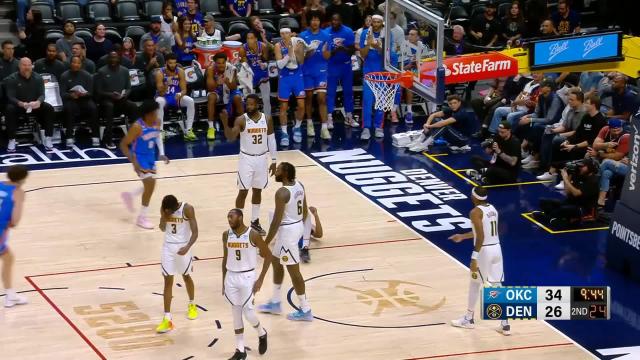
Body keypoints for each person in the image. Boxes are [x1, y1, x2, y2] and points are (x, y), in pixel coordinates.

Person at [448, 187, 510, 336]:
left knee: (475, 283)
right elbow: (485, 233)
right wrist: (462, 236)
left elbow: (481, 237)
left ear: (474, 197)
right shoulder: (493, 209)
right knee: (497, 285)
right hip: (497, 249)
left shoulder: (475, 212)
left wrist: (474, 258)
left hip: (484, 251)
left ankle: (468, 319)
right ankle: (505, 323)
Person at [257, 162, 312, 321]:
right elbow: (305, 210)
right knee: (276, 261)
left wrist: (264, 243)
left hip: (288, 232)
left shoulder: (282, 193)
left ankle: (305, 309)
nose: (276, 172)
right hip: (295, 227)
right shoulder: (299, 185)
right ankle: (275, 302)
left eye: (279, 170)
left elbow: (275, 222)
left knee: (294, 272)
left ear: (286, 173)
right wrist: (298, 226)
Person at [222, 94, 277, 235]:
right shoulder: (241, 120)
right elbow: (231, 137)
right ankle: (237, 223)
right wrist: (224, 124)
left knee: (258, 190)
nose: (249, 107)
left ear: (258, 104)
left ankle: (255, 221)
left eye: (252, 104)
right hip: (246, 159)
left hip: (262, 159)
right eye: (247, 104)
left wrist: (274, 160)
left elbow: (271, 140)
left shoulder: (267, 119)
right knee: (243, 191)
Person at [222, 208, 271, 360]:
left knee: (248, 312)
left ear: (241, 217)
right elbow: (225, 258)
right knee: (235, 312)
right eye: (228, 217)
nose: (229, 219)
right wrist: (223, 281)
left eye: (232, 216)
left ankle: (262, 333)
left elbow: (268, 256)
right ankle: (240, 350)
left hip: (247, 277)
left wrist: (261, 279)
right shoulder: (226, 235)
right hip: (231, 276)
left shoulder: (253, 234)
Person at [120, 100, 169, 229]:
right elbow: (124, 145)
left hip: (150, 157)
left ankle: (130, 195)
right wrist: (133, 161)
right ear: (147, 114)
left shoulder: (157, 122)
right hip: (139, 157)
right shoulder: (137, 127)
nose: (156, 115)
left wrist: (162, 153)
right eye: (154, 113)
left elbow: (157, 137)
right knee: (151, 183)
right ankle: (142, 218)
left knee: (149, 185)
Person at [537, 94, 606, 185]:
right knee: (560, 143)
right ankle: (552, 172)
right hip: (579, 141)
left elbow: (592, 140)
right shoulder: (586, 117)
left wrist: (574, 146)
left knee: (574, 150)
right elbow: (577, 133)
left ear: (593, 105)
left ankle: (568, 179)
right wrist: (568, 141)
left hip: (589, 146)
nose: (585, 105)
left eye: (587, 103)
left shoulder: (600, 120)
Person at [155, 194, 199, 333]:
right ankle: (167, 318)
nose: (168, 212)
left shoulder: (187, 209)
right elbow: (162, 228)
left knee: (186, 277)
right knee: (168, 281)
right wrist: (163, 216)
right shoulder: (165, 209)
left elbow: (195, 232)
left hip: (183, 246)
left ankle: (192, 304)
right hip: (168, 247)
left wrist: (187, 247)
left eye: (170, 211)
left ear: (175, 207)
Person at [4, 58, 55, 152]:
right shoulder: (12, 78)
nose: (27, 67)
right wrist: (21, 103)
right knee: (9, 109)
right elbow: (10, 96)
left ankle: (48, 138)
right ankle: (11, 139)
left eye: (29, 65)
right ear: (19, 66)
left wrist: (38, 102)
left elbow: (42, 94)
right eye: (24, 65)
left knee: (49, 108)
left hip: (34, 105)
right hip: (19, 105)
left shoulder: (38, 78)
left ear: (32, 66)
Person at [539, 157, 600, 227]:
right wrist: (568, 177)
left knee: (562, 210)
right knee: (545, 202)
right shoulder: (579, 175)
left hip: (585, 210)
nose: (580, 167)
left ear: (591, 168)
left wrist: (566, 179)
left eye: (583, 166)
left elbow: (576, 193)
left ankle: (549, 218)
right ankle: (553, 218)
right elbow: (567, 192)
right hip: (573, 203)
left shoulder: (593, 181)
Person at [537, 88, 586, 174]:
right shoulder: (571, 110)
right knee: (547, 133)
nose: (569, 101)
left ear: (580, 101)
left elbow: (577, 132)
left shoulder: (584, 114)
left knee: (557, 139)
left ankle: (553, 167)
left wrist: (560, 135)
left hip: (577, 137)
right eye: (569, 99)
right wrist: (553, 130)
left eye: (572, 100)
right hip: (569, 133)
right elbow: (564, 126)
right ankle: (545, 164)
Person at [518, 79, 564, 170]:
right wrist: (527, 117)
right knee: (522, 121)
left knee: (537, 127)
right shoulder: (541, 97)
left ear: (549, 88)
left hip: (555, 124)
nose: (540, 88)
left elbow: (549, 119)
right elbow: (537, 113)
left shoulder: (555, 99)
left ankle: (534, 157)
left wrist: (530, 119)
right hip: (543, 121)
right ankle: (527, 152)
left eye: (542, 86)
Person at [96, 51, 139, 149]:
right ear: (108, 59)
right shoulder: (101, 71)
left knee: (133, 106)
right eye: (111, 58)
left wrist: (124, 95)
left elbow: (128, 88)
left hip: (121, 100)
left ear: (119, 59)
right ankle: (109, 139)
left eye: (115, 58)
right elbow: (98, 92)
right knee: (109, 106)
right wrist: (111, 95)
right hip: (106, 102)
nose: (113, 60)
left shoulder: (124, 70)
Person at [0, 165, 29, 308]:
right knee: (8, 259)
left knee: (8, 257)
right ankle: (10, 297)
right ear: (23, 178)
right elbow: (15, 221)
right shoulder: (18, 192)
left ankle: (10, 295)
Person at [300, 11, 331, 140]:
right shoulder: (302, 36)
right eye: (312, 19)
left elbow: (328, 57)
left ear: (320, 21)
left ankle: (324, 128)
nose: (315, 22)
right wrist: (309, 51)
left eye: (317, 20)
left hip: (321, 71)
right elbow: (301, 58)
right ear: (309, 21)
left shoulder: (326, 35)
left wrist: (324, 51)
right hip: (307, 71)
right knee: (308, 98)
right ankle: (309, 124)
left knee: (322, 99)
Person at [408, 95, 474, 153]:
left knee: (444, 126)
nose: (453, 105)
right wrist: (426, 125)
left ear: (459, 103)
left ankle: (424, 145)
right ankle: (420, 140)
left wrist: (429, 126)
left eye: (455, 103)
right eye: (450, 103)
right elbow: (433, 115)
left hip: (462, 140)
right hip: (454, 136)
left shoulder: (462, 113)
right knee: (434, 119)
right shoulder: (451, 109)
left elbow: (442, 123)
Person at [274, 28, 306, 146]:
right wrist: (289, 53)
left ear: (291, 33)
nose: (284, 35)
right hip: (285, 78)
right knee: (283, 107)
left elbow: (301, 61)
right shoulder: (278, 45)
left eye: (287, 33)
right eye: (282, 33)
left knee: (301, 105)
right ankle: (284, 133)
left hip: (298, 77)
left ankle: (297, 127)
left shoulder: (298, 43)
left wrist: (297, 52)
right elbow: (280, 65)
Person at [326, 14, 358, 129]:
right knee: (330, 93)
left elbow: (351, 51)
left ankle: (349, 116)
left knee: (348, 92)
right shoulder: (326, 32)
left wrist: (342, 48)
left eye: (337, 20)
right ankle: (329, 117)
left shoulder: (348, 31)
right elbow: (326, 53)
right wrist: (335, 50)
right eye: (333, 20)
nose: (334, 22)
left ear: (341, 21)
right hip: (332, 66)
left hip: (346, 66)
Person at [155, 53, 197, 141]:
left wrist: (180, 94)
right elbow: (161, 93)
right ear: (166, 63)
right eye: (170, 63)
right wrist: (166, 84)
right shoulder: (160, 73)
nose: (173, 65)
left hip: (176, 97)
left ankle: (188, 130)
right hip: (164, 97)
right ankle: (160, 131)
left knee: (190, 101)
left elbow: (184, 90)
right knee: (158, 102)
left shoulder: (180, 71)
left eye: (174, 63)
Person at [60, 55, 98, 147]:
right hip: (71, 100)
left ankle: (95, 135)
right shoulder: (64, 75)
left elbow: (91, 93)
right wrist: (71, 95)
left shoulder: (87, 75)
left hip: (84, 99)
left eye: (78, 63)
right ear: (70, 63)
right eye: (74, 62)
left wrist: (84, 94)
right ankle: (69, 136)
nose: (76, 64)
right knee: (69, 108)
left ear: (81, 64)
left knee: (93, 108)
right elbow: (62, 93)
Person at [206, 52, 244, 141]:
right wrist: (217, 83)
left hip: (230, 90)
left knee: (237, 98)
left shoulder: (232, 69)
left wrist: (226, 81)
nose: (221, 65)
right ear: (215, 63)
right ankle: (211, 128)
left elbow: (234, 87)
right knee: (211, 97)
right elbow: (209, 88)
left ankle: (243, 126)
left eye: (223, 62)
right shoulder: (211, 70)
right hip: (217, 91)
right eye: (219, 63)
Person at [359, 15, 386, 140]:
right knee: (367, 100)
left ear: (382, 23)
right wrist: (367, 45)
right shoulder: (365, 33)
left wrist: (376, 47)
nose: (375, 24)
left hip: (382, 71)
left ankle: (378, 126)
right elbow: (362, 54)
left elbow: (387, 55)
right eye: (373, 22)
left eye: (378, 22)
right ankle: (366, 127)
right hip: (368, 71)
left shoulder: (387, 33)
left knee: (380, 100)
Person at [240, 32, 271, 117]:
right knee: (250, 101)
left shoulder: (263, 46)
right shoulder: (243, 48)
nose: (250, 40)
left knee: (266, 99)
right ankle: (251, 120)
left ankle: (267, 120)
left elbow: (266, 60)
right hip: (250, 74)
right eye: (248, 38)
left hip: (262, 73)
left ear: (256, 39)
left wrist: (263, 64)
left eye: (251, 38)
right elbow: (244, 64)